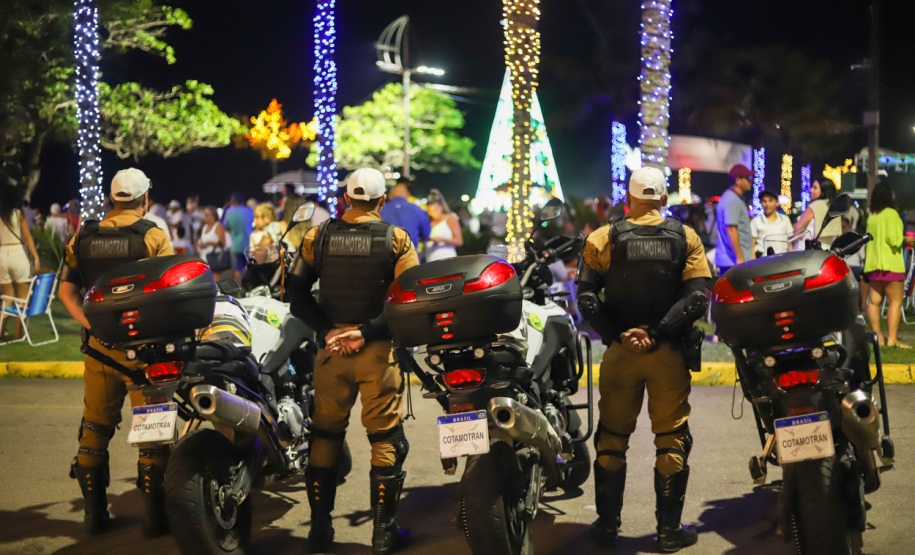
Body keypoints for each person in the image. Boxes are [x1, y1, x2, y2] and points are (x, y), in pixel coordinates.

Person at [576, 167, 710, 552]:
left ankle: (606, 527)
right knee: (671, 439)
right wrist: (657, 333)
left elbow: (586, 299)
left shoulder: (603, 237)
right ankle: (668, 533)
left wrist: (621, 334)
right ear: (665, 199)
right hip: (666, 353)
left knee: (612, 439)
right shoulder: (686, 237)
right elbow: (697, 298)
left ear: (628, 200)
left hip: (622, 354)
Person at [286, 168, 418, 554]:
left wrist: (328, 331)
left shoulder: (318, 235)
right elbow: (407, 297)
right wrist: (367, 332)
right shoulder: (396, 239)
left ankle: (319, 530)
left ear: (345, 199)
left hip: (332, 353)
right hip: (375, 352)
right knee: (384, 438)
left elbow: (296, 292)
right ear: (381, 201)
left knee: (325, 435)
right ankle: (383, 533)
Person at [56, 168, 174, 536]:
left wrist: (94, 326)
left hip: (99, 352)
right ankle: (154, 519)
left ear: (111, 200)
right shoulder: (154, 235)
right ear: (145, 200)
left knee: (94, 429)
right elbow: (168, 296)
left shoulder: (83, 237)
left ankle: (94, 517)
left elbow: (65, 293)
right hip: (145, 354)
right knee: (153, 432)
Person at [864, 181, 915, 349]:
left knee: (874, 302)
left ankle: (877, 337)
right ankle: (892, 340)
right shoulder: (892, 214)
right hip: (891, 265)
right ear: (889, 196)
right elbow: (894, 240)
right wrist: (906, 239)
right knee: (895, 302)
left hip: (874, 266)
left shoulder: (872, 217)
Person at [0, 179, 41, 341]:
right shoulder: (19, 214)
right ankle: (19, 332)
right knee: (23, 297)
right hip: (18, 252)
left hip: (2, 254)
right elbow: (28, 237)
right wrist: (36, 257)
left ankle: (1, 330)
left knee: (7, 295)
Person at [715, 164, 753, 275]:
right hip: (733, 262)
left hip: (732, 261)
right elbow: (731, 229)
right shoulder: (732, 199)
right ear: (738, 180)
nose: (750, 181)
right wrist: (740, 258)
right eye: (748, 178)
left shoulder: (732, 197)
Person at [380, 181, 431, 252]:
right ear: (407, 194)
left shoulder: (379, 210)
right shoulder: (418, 210)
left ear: (390, 195)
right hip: (409, 256)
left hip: (385, 256)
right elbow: (426, 235)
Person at [794, 178, 841, 247]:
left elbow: (798, 228)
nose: (811, 190)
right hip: (828, 247)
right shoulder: (835, 207)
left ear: (824, 190)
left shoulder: (814, 206)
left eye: (815, 188)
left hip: (809, 246)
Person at [751, 190, 794, 257]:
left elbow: (790, 243)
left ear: (777, 202)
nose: (767, 204)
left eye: (770, 200)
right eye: (764, 201)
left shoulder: (785, 219)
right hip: (763, 261)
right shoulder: (756, 221)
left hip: (783, 259)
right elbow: (752, 246)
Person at [223, 193, 254, 281]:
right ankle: (250, 288)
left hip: (235, 245)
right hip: (248, 244)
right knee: (250, 267)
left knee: (237, 269)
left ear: (233, 202)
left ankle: (240, 291)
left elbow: (227, 228)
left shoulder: (230, 213)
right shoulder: (250, 211)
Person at [426, 190, 462, 261]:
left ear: (441, 207)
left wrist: (442, 240)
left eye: (435, 210)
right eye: (430, 211)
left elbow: (459, 241)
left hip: (446, 259)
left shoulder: (450, 218)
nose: (433, 213)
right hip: (430, 259)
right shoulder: (429, 221)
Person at [197, 206, 228, 280]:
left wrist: (208, 243)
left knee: (215, 281)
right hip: (204, 258)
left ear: (213, 215)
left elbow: (222, 243)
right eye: (204, 214)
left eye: (207, 215)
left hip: (214, 258)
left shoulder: (218, 226)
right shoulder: (204, 227)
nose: (205, 217)